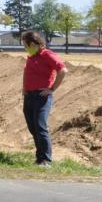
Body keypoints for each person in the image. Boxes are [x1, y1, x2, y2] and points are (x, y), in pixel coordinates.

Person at [21, 31, 67, 168]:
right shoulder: (31, 56)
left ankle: (46, 160)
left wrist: (51, 89)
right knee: (32, 127)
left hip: (41, 97)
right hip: (29, 96)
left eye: (25, 44)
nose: (24, 47)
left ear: (34, 44)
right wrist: (24, 88)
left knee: (40, 126)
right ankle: (39, 158)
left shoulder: (47, 55)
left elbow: (63, 70)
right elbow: (26, 72)